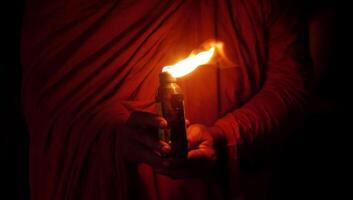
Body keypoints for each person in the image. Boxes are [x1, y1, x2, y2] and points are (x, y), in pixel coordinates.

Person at [21, 0, 311, 199]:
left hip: (228, 186)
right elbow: (50, 110)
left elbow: (292, 85)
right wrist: (114, 136)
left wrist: (225, 134)